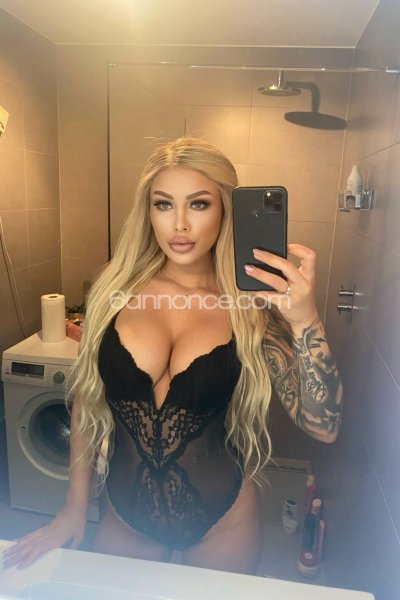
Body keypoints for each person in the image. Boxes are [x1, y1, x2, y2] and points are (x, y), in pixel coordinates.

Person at [2, 137, 343, 574]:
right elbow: (88, 400)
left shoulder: (252, 307)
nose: (179, 224)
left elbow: (323, 426)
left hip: (224, 520)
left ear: (225, 210)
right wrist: (74, 507)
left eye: (198, 204)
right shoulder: (114, 293)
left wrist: (305, 320)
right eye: (164, 204)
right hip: (127, 517)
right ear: (148, 212)